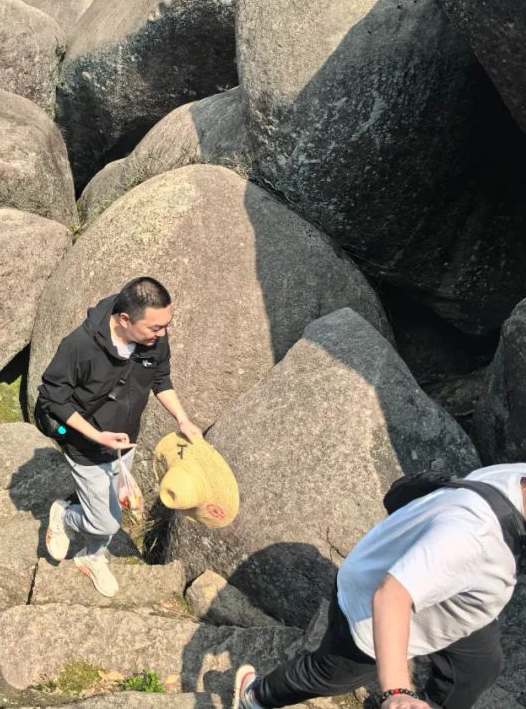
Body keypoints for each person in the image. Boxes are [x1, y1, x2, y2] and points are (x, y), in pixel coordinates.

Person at [234, 463, 526, 709]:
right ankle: (257, 697)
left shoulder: (517, 478)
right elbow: (391, 596)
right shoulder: (474, 538)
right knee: (330, 675)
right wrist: (398, 692)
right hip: (371, 607)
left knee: (477, 668)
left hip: (455, 601)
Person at [36, 276, 202, 597]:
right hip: (85, 446)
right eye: (155, 327)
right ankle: (64, 515)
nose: (162, 334)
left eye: (166, 326)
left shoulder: (153, 340)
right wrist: (96, 436)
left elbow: (161, 379)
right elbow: (54, 398)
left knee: (112, 503)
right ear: (125, 319)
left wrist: (183, 420)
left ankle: (92, 556)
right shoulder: (79, 346)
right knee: (108, 522)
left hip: (126, 442)